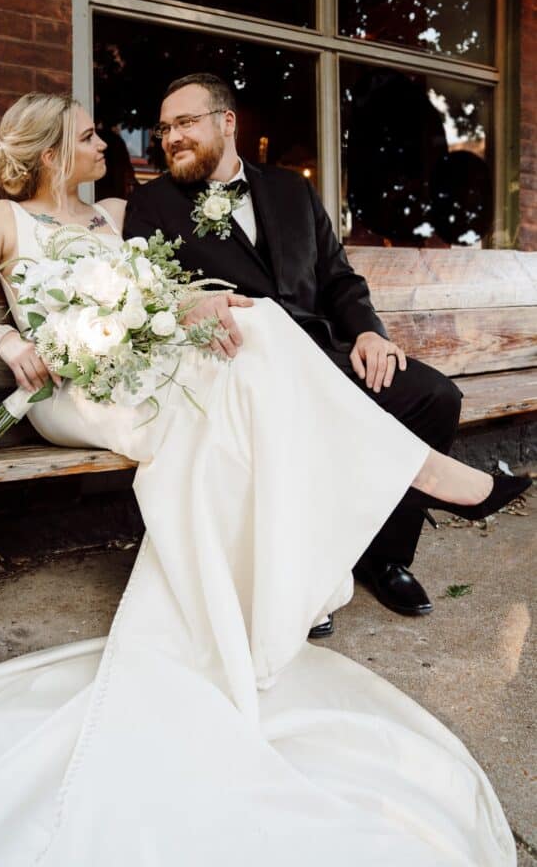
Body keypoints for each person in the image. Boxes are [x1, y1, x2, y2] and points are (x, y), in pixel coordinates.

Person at [0, 92, 527, 866]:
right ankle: (420, 476)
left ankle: (329, 533)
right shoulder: (7, 220)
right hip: (72, 390)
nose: (110, 142)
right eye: (90, 134)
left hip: (140, 367)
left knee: (254, 330)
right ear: (49, 153)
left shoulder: (107, 215)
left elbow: (155, 296)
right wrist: (5, 337)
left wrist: (201, 301)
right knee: (252, 378)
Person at [124, 73, 462, 626]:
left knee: (433, 397)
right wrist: (188, 302)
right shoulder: (153, 204)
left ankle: (382, 558)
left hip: (326, 354)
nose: (171, 138)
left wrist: (370, 332)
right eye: (164, 129)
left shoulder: (292, 190)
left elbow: (338, 278)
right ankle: (302, 573)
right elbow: (146, 289)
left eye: (185, 123)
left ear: (226, 122)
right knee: (282, 421)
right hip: (245, 368)